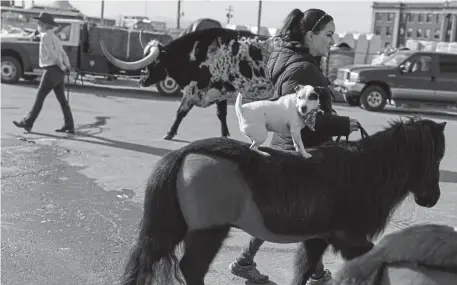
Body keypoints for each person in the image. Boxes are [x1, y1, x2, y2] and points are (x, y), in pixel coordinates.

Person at [229, 8, 361, 285]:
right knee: (314, 215)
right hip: (300, 149)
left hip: (288, 145)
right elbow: (306, 117)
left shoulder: (296, 59)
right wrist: (343, 124)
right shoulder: (302, 67)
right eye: (327, 34)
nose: (332, 40)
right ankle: (322, 274)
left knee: (297, 214)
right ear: (310, 35)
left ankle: (306, 271)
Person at [13, 12, 75, 134]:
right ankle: (69, 125)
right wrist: (67, 66)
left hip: (51, 71)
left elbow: (53, 55)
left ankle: (28, 122)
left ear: (46, 24)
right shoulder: (54, 37)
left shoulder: (46, 36)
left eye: (40, 22)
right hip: (59, 74)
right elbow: (63, 54)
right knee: (63, 101)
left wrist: (62, 67)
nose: (38, 24)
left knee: (39, 98)